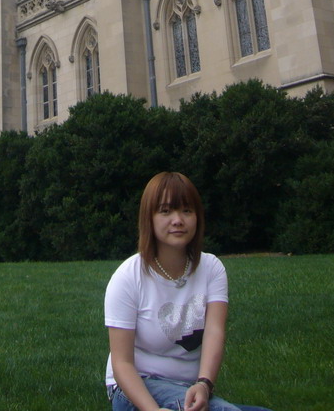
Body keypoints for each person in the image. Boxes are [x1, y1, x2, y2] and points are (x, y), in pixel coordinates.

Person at [104, 171, 273, 411]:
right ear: (148, 218)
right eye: (165, 211)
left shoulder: (211, 268)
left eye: (186, 210)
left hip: (187, 386)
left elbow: (214, 332)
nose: (178, 220)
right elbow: (121, 363)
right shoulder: (128, 276)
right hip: (135, 388)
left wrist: (204, 384)